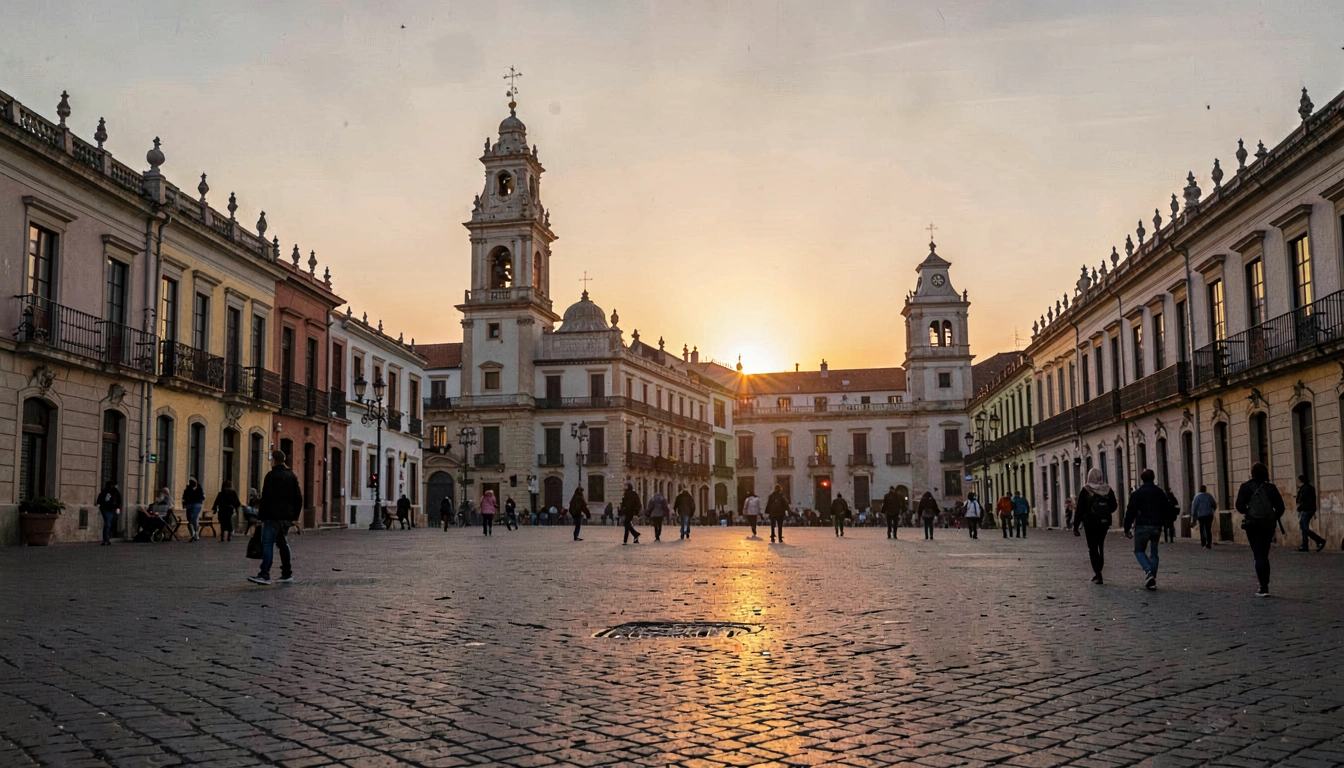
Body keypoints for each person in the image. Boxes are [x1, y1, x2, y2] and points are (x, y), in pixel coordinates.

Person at [248, 450, 303, 585]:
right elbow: (298, 498)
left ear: (274, 460)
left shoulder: (271, 476)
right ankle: (286, 573)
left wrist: (260, 517)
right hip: (286, 517)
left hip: (272, 515)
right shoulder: (292, 476)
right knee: (283, 543)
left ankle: (265, 574)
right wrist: (294, 517)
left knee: (268, 543)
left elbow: (266, 498)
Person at [1235, 462, 1286, 597]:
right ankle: (1265, 585)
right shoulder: (1271, 488)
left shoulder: (1246, 487)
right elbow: (1280, 506)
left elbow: (1239, 506)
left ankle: (1262, 587)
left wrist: (1249, 511)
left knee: (1258, 555)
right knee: (1264, 554)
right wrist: (1273, 516)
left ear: (1252, 473)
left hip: (1252, 524)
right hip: (1268, 525)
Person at [1123, 468, 1168, 591]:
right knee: (1154, 552)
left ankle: (1149, 572)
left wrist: (1126, 527)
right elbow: (1166, 509)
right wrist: (1165, 522)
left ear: (1142, 479)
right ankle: (1152, 576)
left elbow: (1130, 511)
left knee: (1139, 551)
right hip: (1156, 526)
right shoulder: (1160, 493)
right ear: (1153, 478)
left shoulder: (1137, 494)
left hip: (1142, 526)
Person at [1073, 468, 1118, 584]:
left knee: (1092, 547)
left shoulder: (1086, 490)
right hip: (1104, 522)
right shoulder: (1107, 489)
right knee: (1100, 544)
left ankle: (1098, 573)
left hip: (1090, 523)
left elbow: (1079, 509)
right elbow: (1114, 506)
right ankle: (1100, 566)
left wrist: (1076, 526)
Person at [1296, 475, 1325, 552]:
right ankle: (1305, 545)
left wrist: (1300, 507)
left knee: (1304, 528)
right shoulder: (1305, 488)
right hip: (1307, 510)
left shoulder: (1305, 489)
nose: (1297, 482)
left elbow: (1304, 501)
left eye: (1298, 481)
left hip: (1306, 510)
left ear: (1301, 481)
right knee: (1303, 527)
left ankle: (1319, 540)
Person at [95, 480, 122, 546]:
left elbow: (118, 500)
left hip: (112, 510)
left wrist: (118, 508)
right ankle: (106, 540)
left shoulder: (115, 492)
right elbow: (99, 501)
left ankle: (107, 539)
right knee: (108, 524)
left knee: (110, 524)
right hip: (107, 510)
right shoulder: (105, 492)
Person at [182, 477, 205, 542]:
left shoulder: (197, 489)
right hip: (194, 504)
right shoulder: (190, 489)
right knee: (193, 519)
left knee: (192, 520)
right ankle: (194, 534)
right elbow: (202, 497)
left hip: (193, 504)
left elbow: (184, 497)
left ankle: (194, 534)